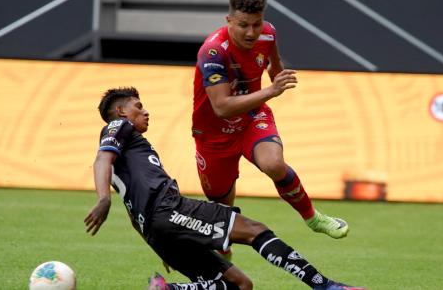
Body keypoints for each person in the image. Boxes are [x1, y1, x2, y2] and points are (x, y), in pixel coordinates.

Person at [84, 87, 364, 290]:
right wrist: (103, 200)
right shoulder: (119, 127)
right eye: (138, 105)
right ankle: (325, 286)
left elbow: (134, 216)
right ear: (121, 111)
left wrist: (160, 249)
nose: (145, 111)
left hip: (156, 231)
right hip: (169, 210)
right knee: (255, 230)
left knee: (240, 285)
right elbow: (101, 159)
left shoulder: (127, 161)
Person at [192, 0, 348, 256]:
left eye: (257, 23)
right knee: (222, 212)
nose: (251, 32)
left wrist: (279, 77)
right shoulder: (214, 52)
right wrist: (270, 90)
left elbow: (274, 67)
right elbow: (221, 107)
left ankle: (313, 218)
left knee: (274, 163)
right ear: (229, 21)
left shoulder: (268, 33)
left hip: (252, 117)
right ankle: (224, 261)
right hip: (214, 134)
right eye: (243, 25)